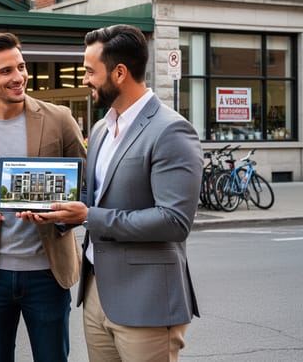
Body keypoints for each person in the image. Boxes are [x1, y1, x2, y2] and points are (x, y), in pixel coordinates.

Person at [31, 24, 202, 361]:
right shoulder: (100, 129)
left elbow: (173, 221)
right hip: (96, 293)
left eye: (90, 71)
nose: (84, 79)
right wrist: (57, 214)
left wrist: (89, 217)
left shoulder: (172, 130)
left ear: (119, 72)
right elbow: (92, 199)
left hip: (147, 301)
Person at [0, 32, 87, 362]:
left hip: (48, 271)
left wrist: (61, 213)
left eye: (21, 67)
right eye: (6, 71)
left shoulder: (58, 119)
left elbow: (87, 185)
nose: (18, 77)